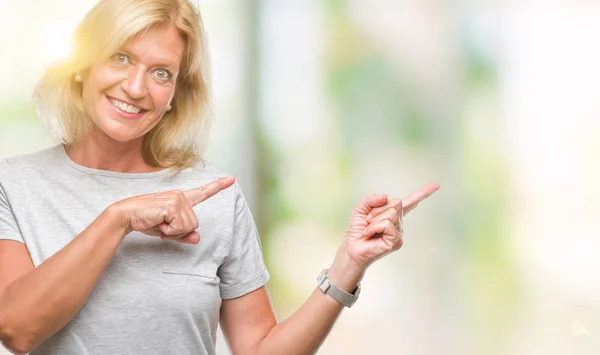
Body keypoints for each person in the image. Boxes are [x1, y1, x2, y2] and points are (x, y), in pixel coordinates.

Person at [0, 0, 439, 354]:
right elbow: (17, 329)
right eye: (121, 58)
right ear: (83, 65)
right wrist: (118, 219)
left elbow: (260, 350)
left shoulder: (215, 196)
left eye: (160, 73)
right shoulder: (15, 185)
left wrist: (349, 265)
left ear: (175, 95)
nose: (136, 88)